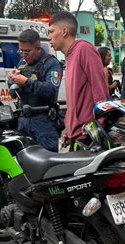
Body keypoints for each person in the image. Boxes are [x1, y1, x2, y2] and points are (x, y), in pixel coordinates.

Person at [48, 11, 109, 150]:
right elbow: (76, 100)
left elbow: (100, 89)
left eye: (51, 32)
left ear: (64, 31)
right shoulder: (69, 56)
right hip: (77, 135)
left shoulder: (83, 49)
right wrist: (70, 132)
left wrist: (98, 128)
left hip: (89, 136)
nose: (49, 37)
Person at [7, 29, 63, 152]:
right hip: (23, 119)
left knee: (47, 162)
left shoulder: (51, 64)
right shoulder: (22, 62)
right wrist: (11, 79)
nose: (23, 55)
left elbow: (50, 90)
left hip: (43, 121)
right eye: (21, 51)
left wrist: (26, 82)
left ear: (38, 48)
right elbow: (14, 90)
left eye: (27, 51)